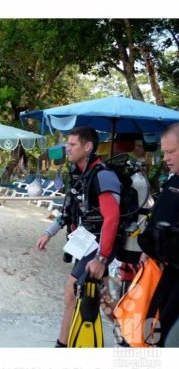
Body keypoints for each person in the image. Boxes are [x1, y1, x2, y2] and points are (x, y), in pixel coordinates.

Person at [35, 126, 122, 347]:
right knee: (103, 297)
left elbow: (112, 219)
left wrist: (101, 258)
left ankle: (62, 344)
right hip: (86, 243)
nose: (68, 148)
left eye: (73, 144)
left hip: (101, 245)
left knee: (71, 291)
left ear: (88, 146)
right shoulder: (77, 174)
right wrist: (48, 233)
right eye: (68, 144)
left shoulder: (103, 175)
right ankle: (127, 331)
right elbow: (67, 211)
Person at [137, 123, 179, 346]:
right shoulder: (173, 180)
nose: (166, 158)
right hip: (166, 269)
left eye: (171, 152)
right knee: (152, 325)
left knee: (166, 335)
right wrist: (149, 250)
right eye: (164, 152)